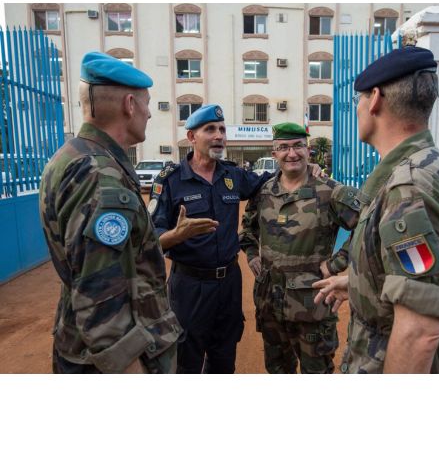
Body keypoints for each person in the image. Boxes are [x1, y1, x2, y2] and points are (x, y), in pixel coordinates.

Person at [313, 46, 439, 373]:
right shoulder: (424, 167)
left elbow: (420, 330)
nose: (357, 109)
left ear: (374, 99)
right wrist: (361, 284)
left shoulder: (409, 187)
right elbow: (423, 280)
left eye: (358, 100)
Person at [149, 106, 324, 373]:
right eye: (210, 129)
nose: (219, 135)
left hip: (228, 284)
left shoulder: (233, 175)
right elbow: (150, 239)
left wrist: (302, 167)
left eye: (222, 129)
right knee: (186, 359)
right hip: (189, 287)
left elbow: (270, 180)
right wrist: (176, 235)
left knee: (224, 358)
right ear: (192, 137)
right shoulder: (171, 181)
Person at [39, 52, 183, 374]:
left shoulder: (71, 156)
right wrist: (131, 369)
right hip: (120, 360)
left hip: (81, 347)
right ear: (129, 104)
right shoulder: (100, 176)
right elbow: (99, 292)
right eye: (147, 104)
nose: (149, 114)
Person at [238, 122, 363, 373]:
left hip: (312, 307)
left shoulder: (330, 191)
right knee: (277, 370)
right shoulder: (263, 192)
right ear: (274, 154)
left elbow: (369, 224)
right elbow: (247, 229)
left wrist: (337, 263)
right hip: (270, 304)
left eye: (298, 146)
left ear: (309, 151)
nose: (291, 153)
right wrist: (252, 254)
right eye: (283, 147)